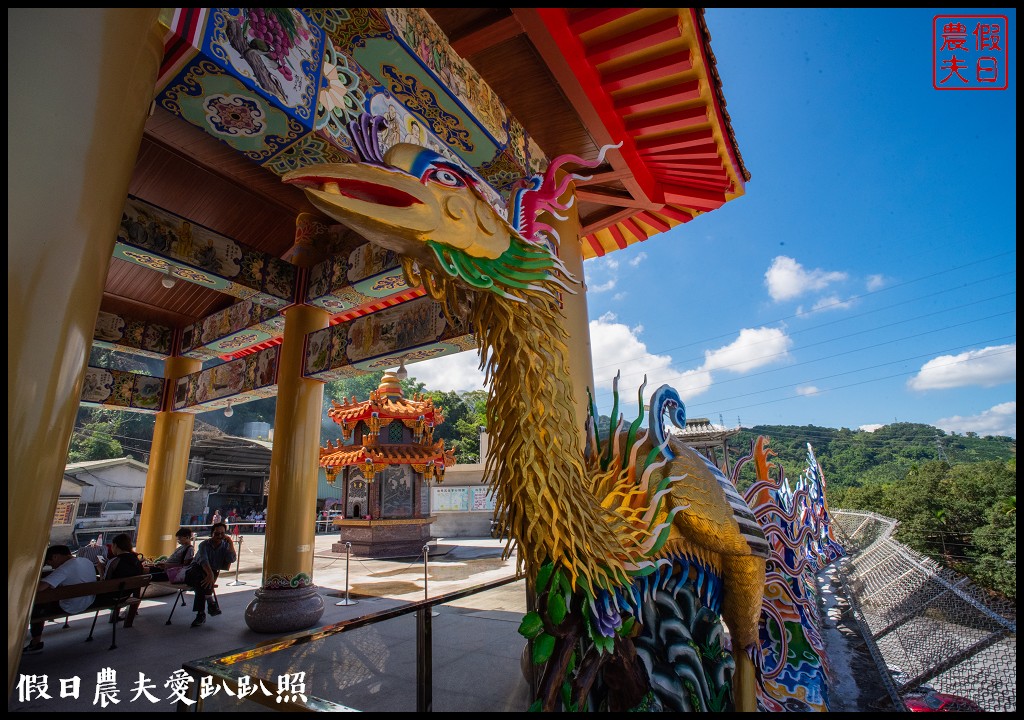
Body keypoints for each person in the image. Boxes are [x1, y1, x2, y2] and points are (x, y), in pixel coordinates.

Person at [24, 545, 98, 654]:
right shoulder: (86, 561)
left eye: (50, 563)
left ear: (55, 557)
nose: (52, 567)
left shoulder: (64, 569)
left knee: (37, 606)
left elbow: (40, 588)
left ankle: (35, 643)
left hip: (71, 606)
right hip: (89, 601)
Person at [183, 522, 236, 627]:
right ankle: (210, 601)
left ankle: (201, 613)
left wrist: (230, 543)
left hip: (210, 573)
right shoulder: (204, 545)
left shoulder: (225, 546)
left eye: (222, 534)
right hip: (196, 570)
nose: (219, 536)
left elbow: (231, 559)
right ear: (212, 533)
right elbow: (204, 561)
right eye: (217, 534)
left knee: (201, 583)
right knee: (201, 577)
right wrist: (210, 574)